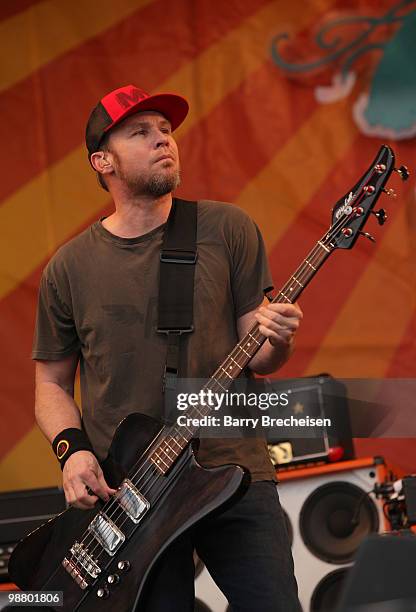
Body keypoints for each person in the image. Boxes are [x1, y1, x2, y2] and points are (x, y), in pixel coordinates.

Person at [32, 85, 303, 611]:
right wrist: (73, 451)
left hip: (232, 468)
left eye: (166, 130)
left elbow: (263, 357)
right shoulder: (68, 268)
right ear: (102, 160)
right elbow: (50, 384)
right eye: (141, 132)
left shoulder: (227, 229)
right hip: (132, 495)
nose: (163, 141)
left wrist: (279, 338)